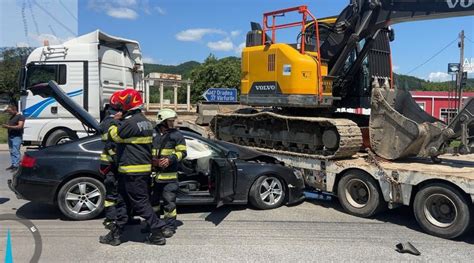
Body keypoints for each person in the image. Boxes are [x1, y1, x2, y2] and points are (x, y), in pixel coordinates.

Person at [103, 89, 167, 246]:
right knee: (122, 201)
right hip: (134, 170)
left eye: (120, 105)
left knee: (140, 203)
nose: (119, 108)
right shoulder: (144, 121)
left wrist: (112, 119)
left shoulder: (130, 123)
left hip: (132, 171)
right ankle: (116, 233)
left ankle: (157, 231)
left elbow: (113, 135)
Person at [150, 109, 187, 238]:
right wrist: (152, 161)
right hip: (153, 176)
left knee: (169, 203)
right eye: (170, 121)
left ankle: (169, 227)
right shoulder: (152, 134)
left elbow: (183, 152)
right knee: (153, 203)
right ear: (162, 121)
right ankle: (154, 225)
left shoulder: (177, 135)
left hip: (169, 177)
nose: (173, 123)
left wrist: (170, 159)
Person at [98, 91, 124, 232]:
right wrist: (119, 160)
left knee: (114, 194)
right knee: (113, 194)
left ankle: (115, 218)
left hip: (109, 164)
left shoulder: (107, 120)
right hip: (111, 165)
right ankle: (111, 220)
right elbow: (111, 144)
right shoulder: (111, 122)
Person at [2, 105, 25, 171]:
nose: (9, 113)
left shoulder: (21, 116)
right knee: (11, 151)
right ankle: (13, 164)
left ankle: (16, 166)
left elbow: (20, 126)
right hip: (10, 136)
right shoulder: (12, 116)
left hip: (16, 136)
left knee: (15, 151)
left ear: (14, 110)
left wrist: (8, 127)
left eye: (10, 111)